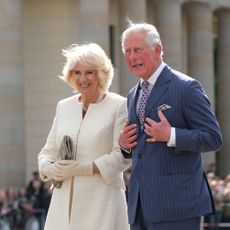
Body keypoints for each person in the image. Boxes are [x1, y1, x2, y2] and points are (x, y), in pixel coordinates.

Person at [119, 20, 223, 230]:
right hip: (139, 208)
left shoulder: (186, 87)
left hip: (177, 207)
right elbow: (142, 149)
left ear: (158, 50)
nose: (132, 57)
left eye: (137, 50)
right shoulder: (132, 95)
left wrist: (172, 135)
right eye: (127, 51)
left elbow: (213, 137)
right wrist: (124, 145)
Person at [38, 43, 131, 230]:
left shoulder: (119, 105)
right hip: (63, 201)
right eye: (77, 72)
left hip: (102, 200)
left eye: (89, 72)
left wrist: (83, 168)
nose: (82, 79)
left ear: (102, 74)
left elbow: (122, 156)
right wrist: (49, 168)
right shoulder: (63, 106)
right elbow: (48, 151)